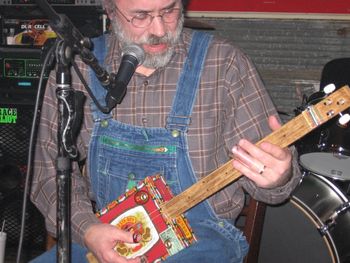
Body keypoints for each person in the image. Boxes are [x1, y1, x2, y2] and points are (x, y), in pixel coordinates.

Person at [30, 0, 302, 262]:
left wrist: (279, 176)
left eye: (169, 11)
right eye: (141, 16)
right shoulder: (78, 68)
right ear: (110, 11)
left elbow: (273, 187)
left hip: (202, 237)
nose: (159, 30)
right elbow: (48, 170)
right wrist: (87, 229)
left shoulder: (224, 63)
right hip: (108, 234)